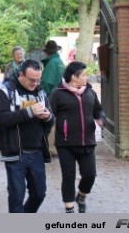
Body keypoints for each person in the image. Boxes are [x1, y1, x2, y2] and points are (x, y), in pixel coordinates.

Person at [0, 59, 54, 213]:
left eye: (38, 79)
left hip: (37, 153)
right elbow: (1, 118)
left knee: (39, 194)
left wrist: (47, 117)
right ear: (21, 75)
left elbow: (51, 119)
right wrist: (29, 112)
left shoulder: (40, 91)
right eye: (32, 80)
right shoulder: (6, 90)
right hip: (15, 152)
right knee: (16, 197)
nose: (35, 83)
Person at [49, 61, 105, 214]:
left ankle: (81, 195)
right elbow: (49, 114)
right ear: (74, 77)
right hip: (65, 143)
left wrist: (100, 118)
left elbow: (98, 110)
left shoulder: (89, 92)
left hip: (87, 141)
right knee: (68, 176)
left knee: (90, 175)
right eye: (84, 75)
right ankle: (69, 209)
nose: (86, 77)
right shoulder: (58, 93)